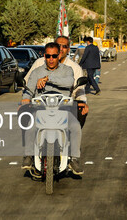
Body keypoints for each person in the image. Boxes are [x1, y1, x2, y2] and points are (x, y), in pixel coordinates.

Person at [20, 42, 84, 176]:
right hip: (41, 110)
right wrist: (25, 99)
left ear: (58, 55)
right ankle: (29, 156)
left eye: (54, 56)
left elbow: (68, 82)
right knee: (30, 127)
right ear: (44, 56)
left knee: (75, 126)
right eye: (48, 56)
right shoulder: (37, 71)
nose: (51, 59)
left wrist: (48, 79)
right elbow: (29, 89)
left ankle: (74, 159)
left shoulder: (67, 70)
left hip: (63, 110)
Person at [23, 36, 89, 128]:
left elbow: (78, 89)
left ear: (68, 49)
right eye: (58, 45)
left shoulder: (73, 68)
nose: (61, 49)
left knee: (81, 113)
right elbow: (28, 85)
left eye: (64, 46)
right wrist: (26, 99)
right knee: (23, 115)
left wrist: (82, 102)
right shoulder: (39, 64)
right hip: (40, 104)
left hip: (64, 104)